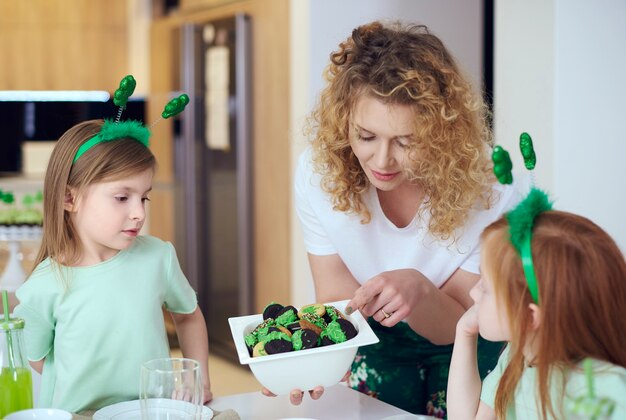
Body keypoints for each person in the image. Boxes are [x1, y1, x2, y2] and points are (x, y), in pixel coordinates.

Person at [292, 20, 523, 415]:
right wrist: (312, 359)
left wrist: (417, 289)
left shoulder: (491, 187)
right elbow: (336, 299)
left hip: (472, 339)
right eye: (366, 136)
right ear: (343, 119)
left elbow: (459, 323)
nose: (382, 161)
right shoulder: (319, 173)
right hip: (375, 339)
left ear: (440, 132)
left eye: (406, 142)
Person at [14, 119, 213, 413]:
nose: (138, 213)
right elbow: (37, 359)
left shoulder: (158, 257)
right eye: (122, 197)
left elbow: (188, 316)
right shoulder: (43, 286)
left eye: (144, 197)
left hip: (152, 411)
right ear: (69, 198)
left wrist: (200, 381)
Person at [447, 203, 626, 419]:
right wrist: (464, 332)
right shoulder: (518, 358)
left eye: (485, 287)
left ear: (530, 317)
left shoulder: (602, 390)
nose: (473, 292)